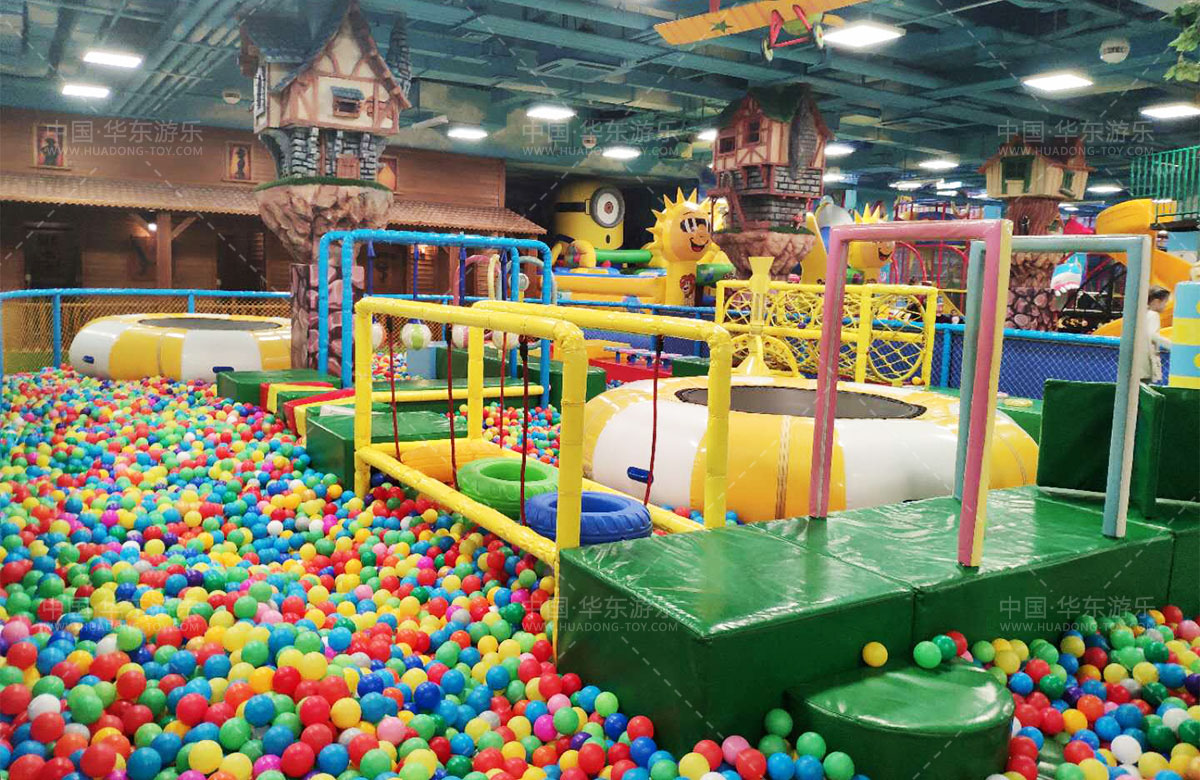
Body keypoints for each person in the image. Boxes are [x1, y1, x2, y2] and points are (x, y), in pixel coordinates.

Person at [1139, 286, 1172, 384]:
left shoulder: (1141, 313)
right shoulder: (1154, 315)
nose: (1166, 305)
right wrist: (1173, 346)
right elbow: (1153, 335)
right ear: (1157, 302)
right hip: (1146, 361)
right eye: (1165, 302)